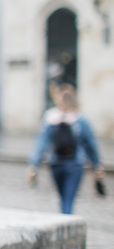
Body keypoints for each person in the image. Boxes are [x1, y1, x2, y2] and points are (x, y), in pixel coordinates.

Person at [27, 84, 104, 214]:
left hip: (56, 163)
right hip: (75, 164)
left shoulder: (51, 118)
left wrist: (34, 165)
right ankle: (66, 218)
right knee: (69, 200)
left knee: (62, 198)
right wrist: (97, 165)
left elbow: (42, 143)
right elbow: (91, 144)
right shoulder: (81, 120)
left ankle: (63, 216)